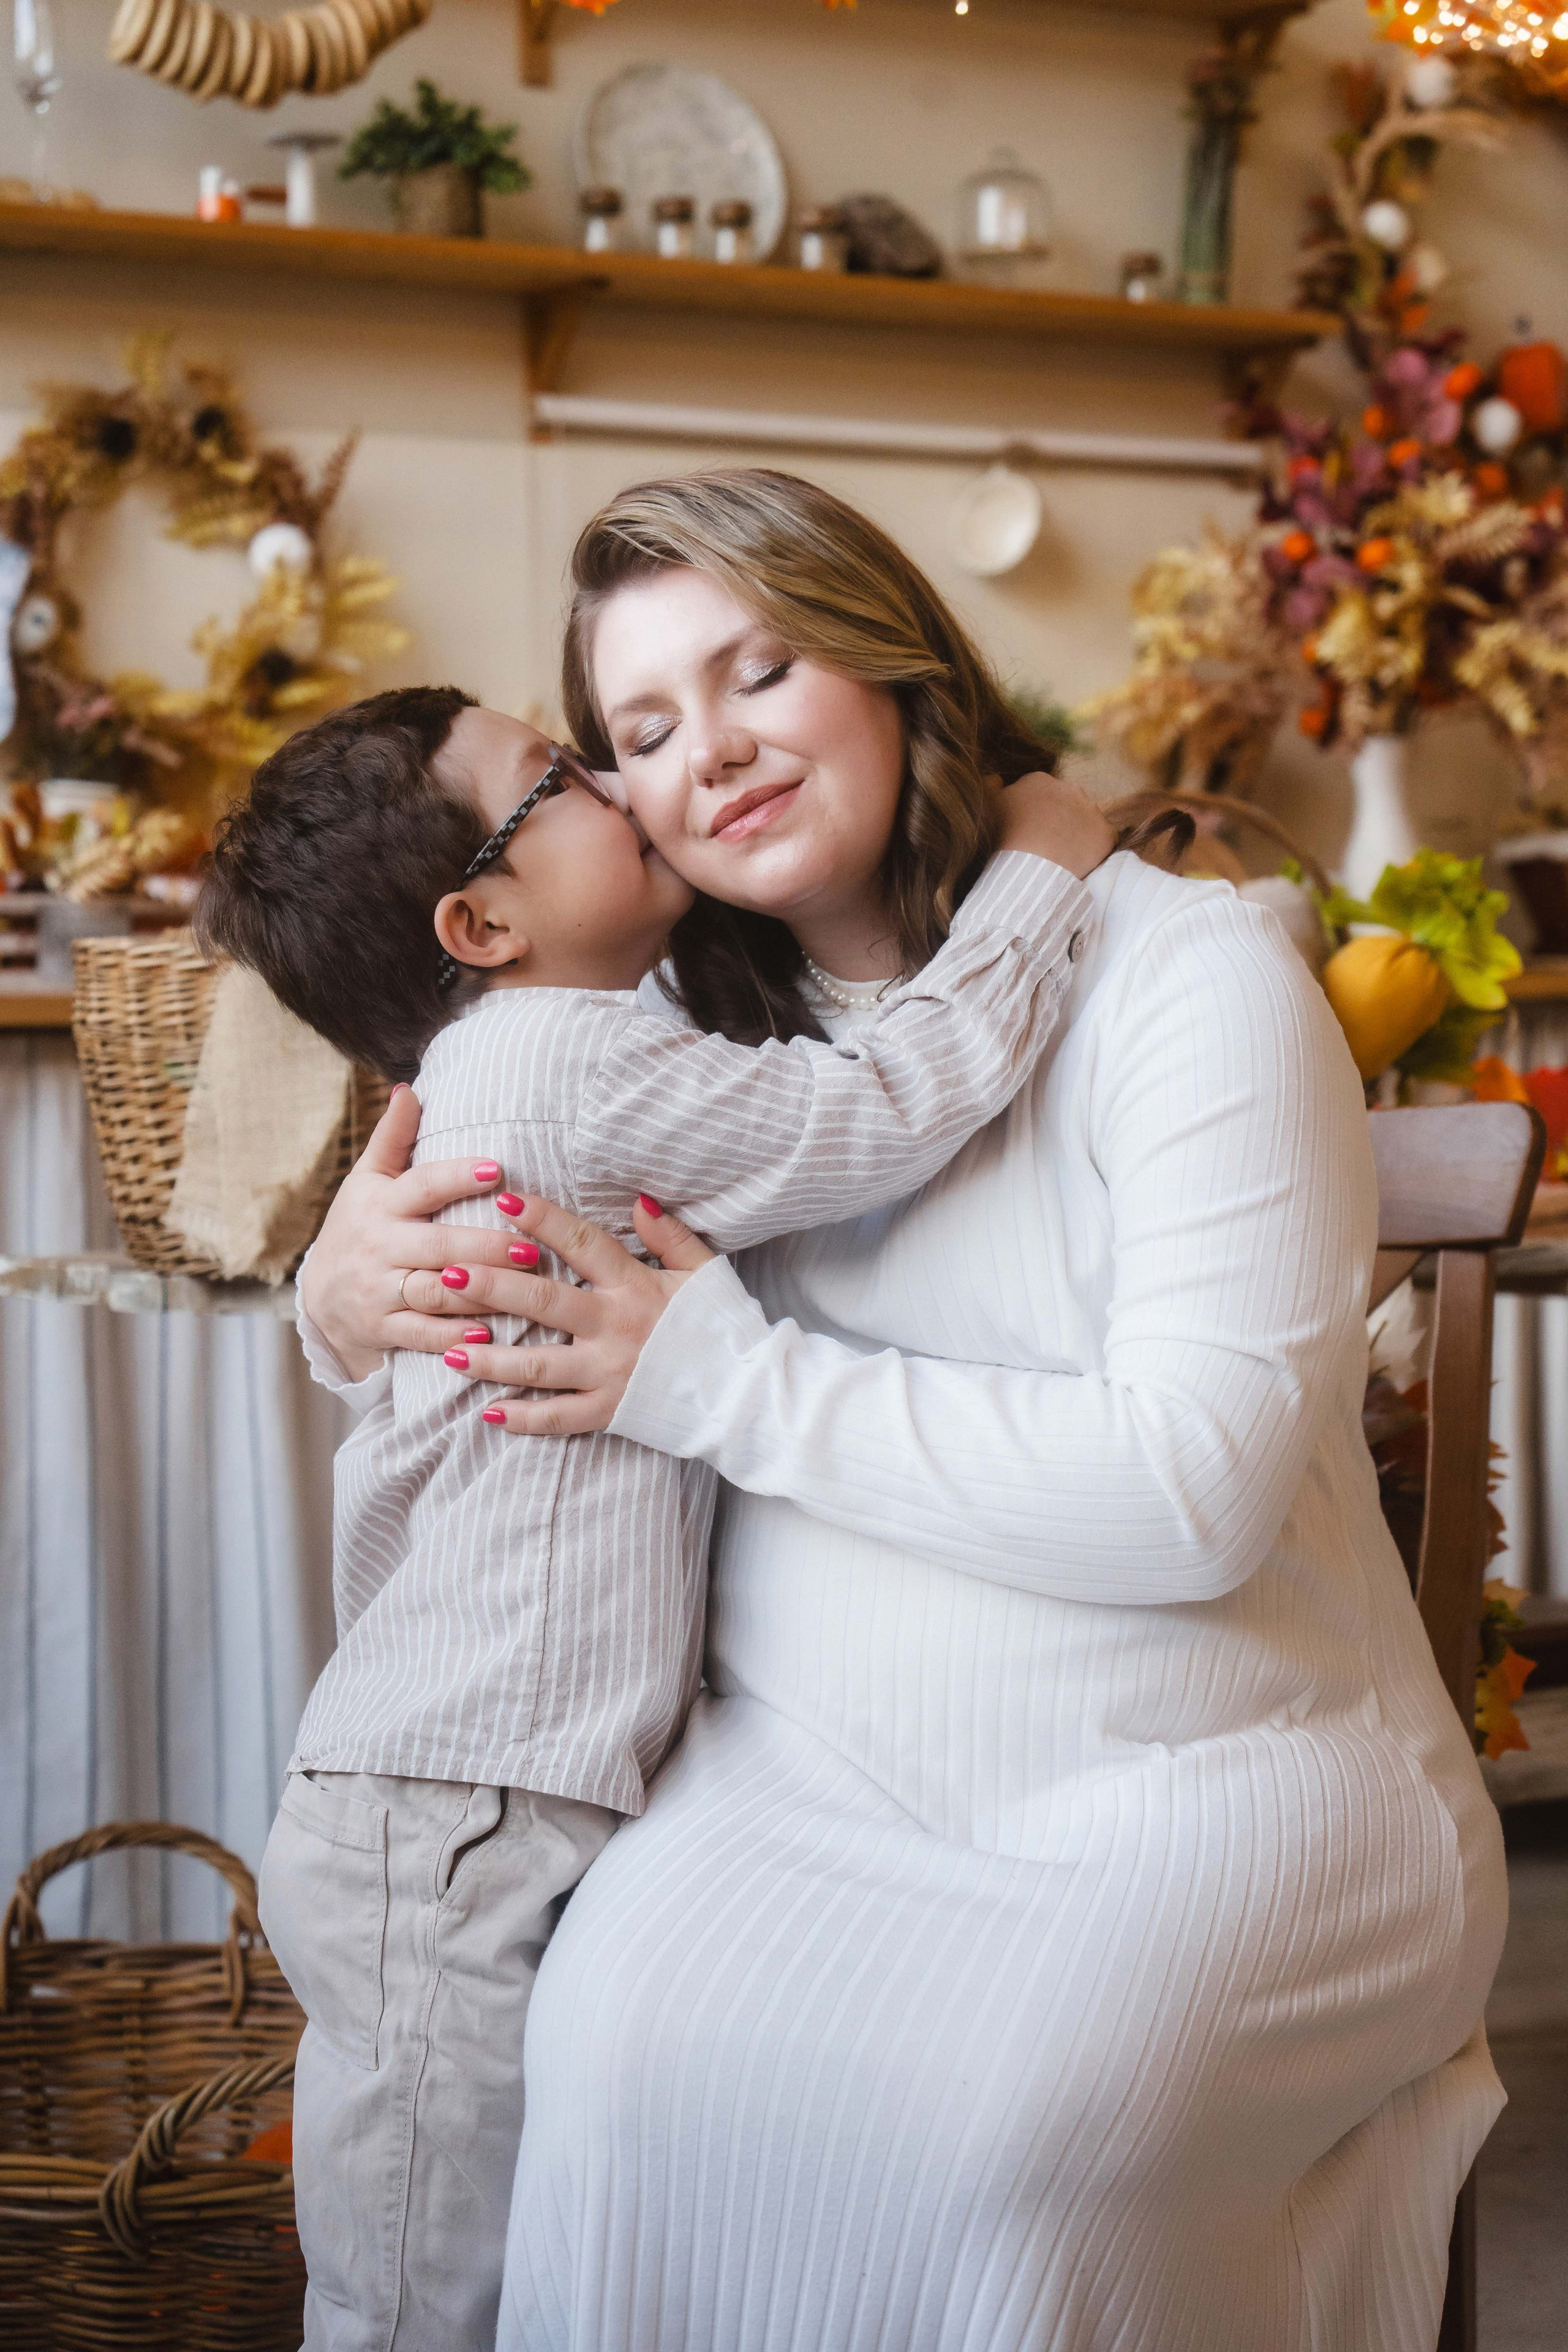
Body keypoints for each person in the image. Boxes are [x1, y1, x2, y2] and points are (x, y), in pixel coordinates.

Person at [300, 470, 1506, 2352]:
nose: (710, 753)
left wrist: (726, 1380)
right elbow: (469, 1172)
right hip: (808, 1764)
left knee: (1017, 2145)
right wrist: (338, 1287)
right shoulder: (669, 1028)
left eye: (760, 670)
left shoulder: (1189, 981)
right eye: (640, 732)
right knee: (608, 2055)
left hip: (1209, 1768)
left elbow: (1191, 1499)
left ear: (891, 660)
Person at [197, 678, 1108, 2352]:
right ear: (481, 923)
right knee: (416, 2298)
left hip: (467, 1793)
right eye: (556, 776)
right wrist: (1043, 867)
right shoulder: (569, 1062)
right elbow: (892, 1104)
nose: (618, 779)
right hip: (453, 1817)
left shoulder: (543, 1046)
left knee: (497, 2261)